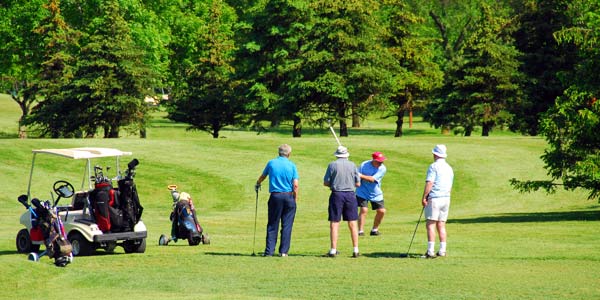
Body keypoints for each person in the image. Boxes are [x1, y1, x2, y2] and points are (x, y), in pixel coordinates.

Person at [255, 144, 299, 257]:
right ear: (289, 154)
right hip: (288, 196)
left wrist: (258, 183)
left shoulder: (271, 163)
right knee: (287, 225)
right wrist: (295, 198)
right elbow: (295, 185)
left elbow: (263, 176)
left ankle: (269, 251)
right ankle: (283, 252)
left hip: (275, 196)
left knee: (273, 224)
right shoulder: (292, 165)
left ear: (279, 152)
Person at [323, 145, 361, 258]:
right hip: (350, 195)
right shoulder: (353, 165)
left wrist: (334, 183)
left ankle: (333, 250)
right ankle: (355, 249)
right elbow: (358, 183)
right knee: (353, 222)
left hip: (336, 194)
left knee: (334, 223)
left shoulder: (332, 165)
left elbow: (325, 182)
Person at [421, 144, 454, 258]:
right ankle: (442, 250)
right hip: (446, 198)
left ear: (435, 154)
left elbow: (430, 182)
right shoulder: (449, 168)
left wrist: (424, 196)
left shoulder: (433, 166)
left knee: (430, 224)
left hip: (435, 198)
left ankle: (430, 251)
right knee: (441, 224)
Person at [356, 151, 387, 236]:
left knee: (381, 211)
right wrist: (358, 178)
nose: (381, 163)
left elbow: (372, 179)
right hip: (362, 191)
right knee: (364, 210)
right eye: (379, 161)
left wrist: (360, 175)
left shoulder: (382, 168)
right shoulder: (364, 164)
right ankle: (360, 231)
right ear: (373, 160)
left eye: (382, 161)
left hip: (375, 192)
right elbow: (356, 177)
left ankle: (374, 230)